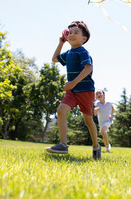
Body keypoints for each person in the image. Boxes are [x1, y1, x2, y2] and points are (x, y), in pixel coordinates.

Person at [46, 21, 101, 160]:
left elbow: (88, 68)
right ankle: (63, 145)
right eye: (70, 32)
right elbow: (54, 59)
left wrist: (72, 83)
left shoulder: (82, 52)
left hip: (85, 91)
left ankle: (96, 146)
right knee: (61, 110)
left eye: (76, 32)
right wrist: (61, 43)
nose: (72, 34)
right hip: (72, 91)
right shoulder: (69, 52)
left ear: (84, 39)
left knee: (88, 120)